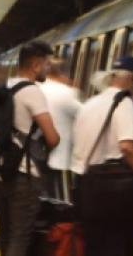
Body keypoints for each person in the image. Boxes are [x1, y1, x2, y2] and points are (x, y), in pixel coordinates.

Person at [71, 56, 133, 256]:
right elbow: (127, 147)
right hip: (113, 191)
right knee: (115, 246)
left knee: (94, 245)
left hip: (87, 183)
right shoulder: (123, 103)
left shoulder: (89, 104)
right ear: (132, 79)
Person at [0, 41, 60, 256]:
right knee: (20, 237)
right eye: (47, 64)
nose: (48, 69)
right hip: (23, 175)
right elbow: (52, 137)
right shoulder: (32, 91)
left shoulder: (2, 87)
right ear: (35, 65)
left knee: (5, 235)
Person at [39, 58, 82, 202]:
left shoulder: (36, 87)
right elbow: (83, 114)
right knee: (62, 202)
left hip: (38, 156)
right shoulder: (65, 92)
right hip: (61, 158)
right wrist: (75, 90)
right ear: (61, 73)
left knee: (44, 198)